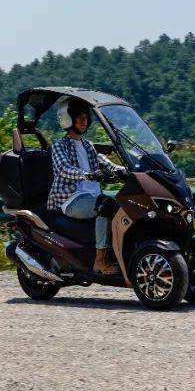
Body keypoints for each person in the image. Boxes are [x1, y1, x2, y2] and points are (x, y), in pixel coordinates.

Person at [46, 97, 127, 274]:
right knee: (104, 205)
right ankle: (100, 261)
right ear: (68, 119)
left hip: (92, 198)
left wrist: (129, 170)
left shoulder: (88, 146)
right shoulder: (60, 145)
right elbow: (63, 168)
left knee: (123, 206)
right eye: (79, 117)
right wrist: (86, 174)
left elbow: (107, 164)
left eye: (86, 118)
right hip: (71, 199)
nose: (84, 121)